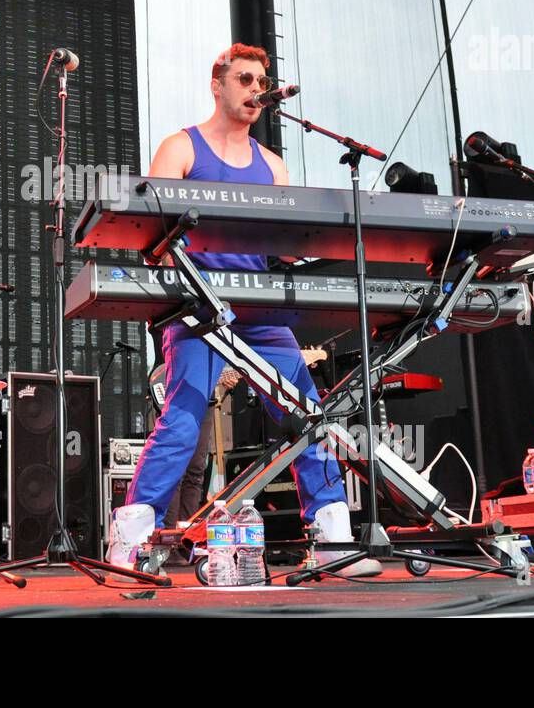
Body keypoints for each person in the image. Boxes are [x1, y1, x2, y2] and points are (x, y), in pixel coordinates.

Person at [108, 44, 381, 578]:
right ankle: (131, 538)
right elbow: (148, 233)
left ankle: (332, 538)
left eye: (262, 81)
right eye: (245, 79)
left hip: (258, 307)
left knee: (306, 414)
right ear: (218, 86)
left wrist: (309, 239)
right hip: (196, 304)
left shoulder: (272, 164)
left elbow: (278, 247)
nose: (256, 89)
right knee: (184, 417)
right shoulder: (180, 147)